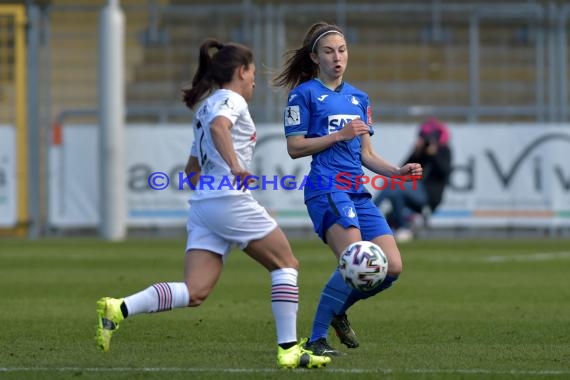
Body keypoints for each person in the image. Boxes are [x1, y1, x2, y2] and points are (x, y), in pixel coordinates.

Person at [95, 38, 331, 369]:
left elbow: (193, 170)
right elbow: (221, 128)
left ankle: (118, 308)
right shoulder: (230, 101)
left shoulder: (204, 107)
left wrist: (216, 194)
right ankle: (289, 349)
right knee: (286, 264)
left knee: (195, 292)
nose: (254, 81)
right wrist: (235, 167)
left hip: (206, 204)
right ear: (240, 71)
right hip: (226, 199)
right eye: (252, 73)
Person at [273, 22, 423, 356]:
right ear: (315, 57)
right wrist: (337, 136)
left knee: (392, 267)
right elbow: (295, 147)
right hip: (326, 187)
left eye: (342, 50)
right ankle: (315, 339)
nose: (337, 57)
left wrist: (397, 172)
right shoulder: (304, 95)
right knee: (354, 258)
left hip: (357, 191)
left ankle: (338, 311)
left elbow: (366, 154)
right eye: (328, 51)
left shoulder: (359, 97)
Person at [373, 118, 452, 242]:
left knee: (391, 184)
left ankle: (371, 213)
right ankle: (403, 228)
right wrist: (416, 153)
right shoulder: (421, 152)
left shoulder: (443, 151)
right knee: (395, 193)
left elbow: (444, 173)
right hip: (416, 190)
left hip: (429, 194)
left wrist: (434, 154)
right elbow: (403, 170)